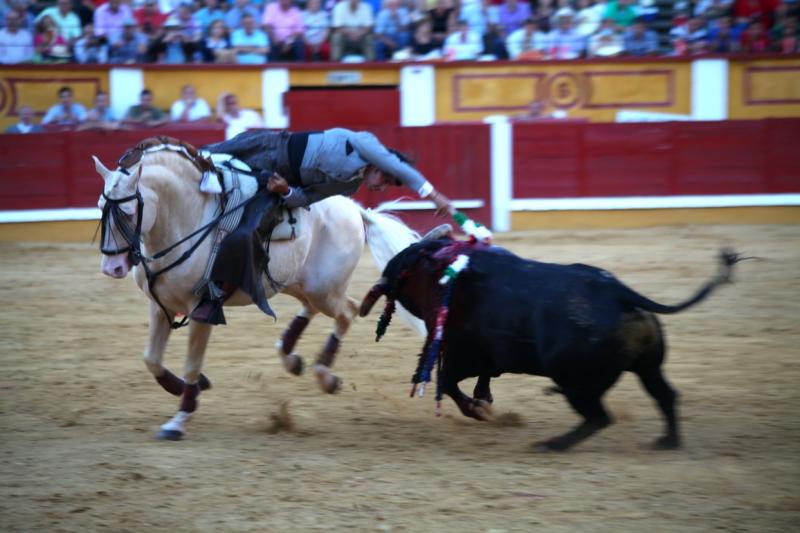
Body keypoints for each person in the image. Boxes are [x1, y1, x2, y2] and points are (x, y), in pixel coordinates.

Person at [193, 128, 454, 324]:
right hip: (272, 146)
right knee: (200, 156)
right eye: (385, 178)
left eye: (387, 184)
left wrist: (285, 191)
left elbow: (306, 198)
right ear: (381, 164)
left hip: (276, 180)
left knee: (251, 228)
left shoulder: (350, 185)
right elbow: (396, 165)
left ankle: (216, 292)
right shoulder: (365, 142)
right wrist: (433, 194)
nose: (381, 185)